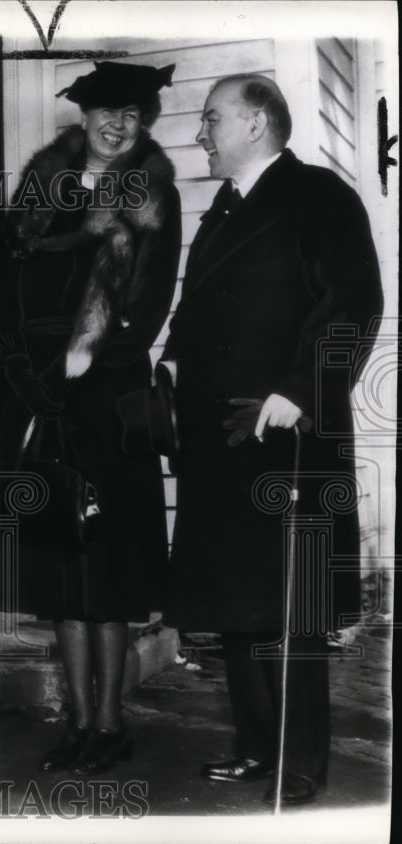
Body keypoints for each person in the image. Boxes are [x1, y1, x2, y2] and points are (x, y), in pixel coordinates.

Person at [161, 74, 383, 806]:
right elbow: (197, 309)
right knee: (235, 603)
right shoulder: (221, 209)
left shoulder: (319, 196)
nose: (201, 131)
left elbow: (353, 303)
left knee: (292, 608)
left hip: (288, 434)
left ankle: (302, 760)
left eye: (212, 117)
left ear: (256, 123)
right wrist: (171, 355)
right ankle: (256, 746)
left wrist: (301, 389)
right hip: (219, 440)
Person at [0, 61, 180, 775]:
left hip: (107, 404)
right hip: (40, 402)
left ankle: (109, 722)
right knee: (57, 568)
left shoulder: (151, 194)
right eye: (105, 111)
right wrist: (27, 377)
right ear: (83, 117)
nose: (117, 123)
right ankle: (74, 719)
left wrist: (83, 372)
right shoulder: (40, 189)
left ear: (144, 121)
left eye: (132, 114)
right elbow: (9, 290)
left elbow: (148, 304)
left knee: (106, 571)